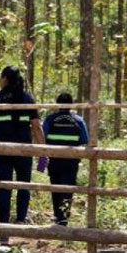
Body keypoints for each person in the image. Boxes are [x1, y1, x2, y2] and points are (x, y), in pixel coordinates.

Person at [0, 66, 45, 247]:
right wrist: (44, 151)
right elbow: (37, 127)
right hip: (23, 150)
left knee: (4, 186)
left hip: (0, 151)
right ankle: (21, 224)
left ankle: (4, 232)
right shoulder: (27, 99)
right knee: (24, 185)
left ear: (5, 79)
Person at [37, 92, 89, 226]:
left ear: (58, 104)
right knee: (68, 188)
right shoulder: (78, 120)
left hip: (54, 160)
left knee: (55, 186)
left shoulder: (50, 119)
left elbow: (43, 139)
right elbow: (85, 140)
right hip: (71, 161)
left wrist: (42, 161)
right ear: (71, 105)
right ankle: (64, 217)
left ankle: (57, 215)